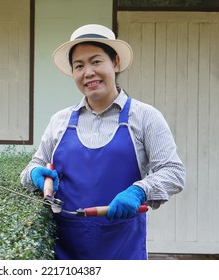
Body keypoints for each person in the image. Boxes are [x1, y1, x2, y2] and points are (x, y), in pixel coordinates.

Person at [20, 24, 186, 260]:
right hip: (65, 251)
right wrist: (36, 173)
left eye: (96, 61)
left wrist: (139, 191)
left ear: (115, 62)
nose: (88, 72)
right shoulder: (60, 121)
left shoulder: (145, 117)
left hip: (123, 250)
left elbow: (174, 172)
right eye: (79, 66)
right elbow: (29, 169)